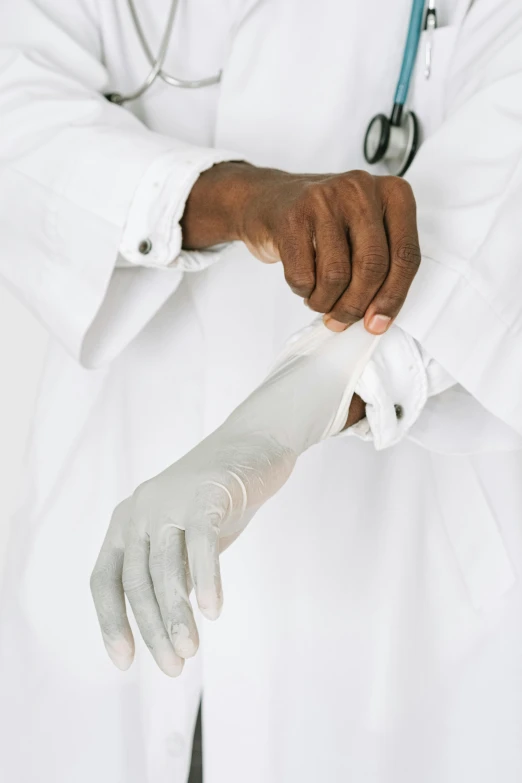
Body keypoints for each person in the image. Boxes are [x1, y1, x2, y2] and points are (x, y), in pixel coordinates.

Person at [1, 1, 522, 782]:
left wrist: (281, 417)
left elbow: (502, 192)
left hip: (394, 586)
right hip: (105, 498)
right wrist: (237, 196)